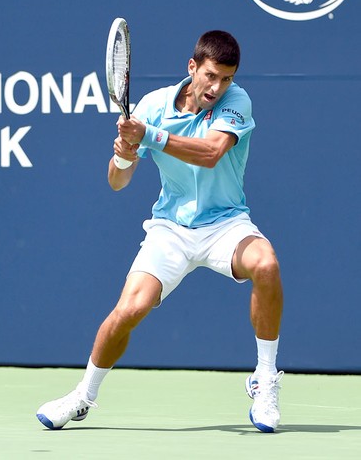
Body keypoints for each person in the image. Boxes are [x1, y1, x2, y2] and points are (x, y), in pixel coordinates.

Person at [36, 30, 284, 433]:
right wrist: (124, 154)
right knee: (130, 309)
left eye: (226, 78)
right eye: (210, 76)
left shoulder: (237, 101)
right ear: (192, 68)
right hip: (171, 229)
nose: (217, 87)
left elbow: (211, 153)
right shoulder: (154, 105)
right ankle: (83, 395)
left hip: (226, 224)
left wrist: (148, 136)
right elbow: (118, 181)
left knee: (266, 264)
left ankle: (265, 380)